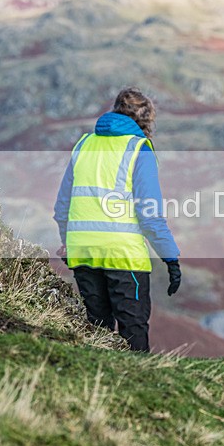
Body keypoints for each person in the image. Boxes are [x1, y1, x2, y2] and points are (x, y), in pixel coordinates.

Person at [54, 87, 182, 352]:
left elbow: (62, 206)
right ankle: (138, 389)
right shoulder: (139, 149)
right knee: (132, 330)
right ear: (146, 121)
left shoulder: (84, 145)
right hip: (123, 255)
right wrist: (170, 259)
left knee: (95, 331)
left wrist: (68, 243)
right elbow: (150, 215)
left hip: (83, 252)